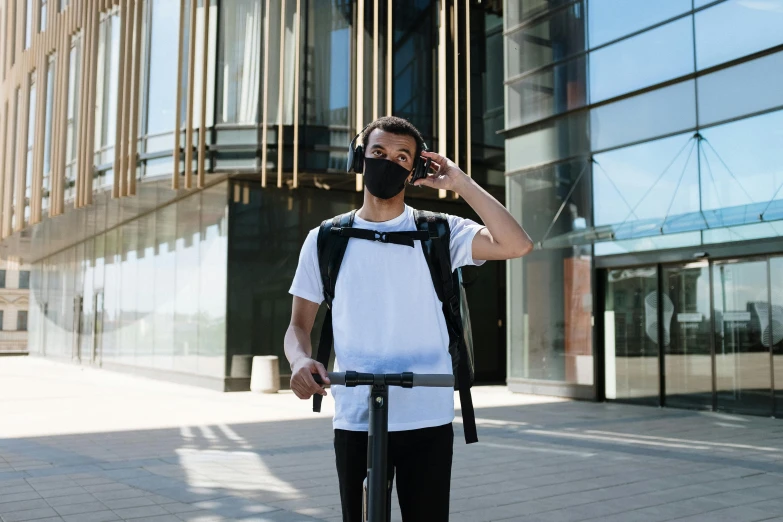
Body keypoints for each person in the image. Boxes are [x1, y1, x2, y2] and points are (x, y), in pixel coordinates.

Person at [284, 116, 533, 521]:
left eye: (403, 157)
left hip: (426, 413)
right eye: (379, 153)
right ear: (359, 157)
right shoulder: (326, 238)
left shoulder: (440, 233)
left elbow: (517, 244)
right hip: (356, 415)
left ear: (415, 171)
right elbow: (298, 325)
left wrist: (460, 183)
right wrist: (299, 362)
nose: (389, 163)